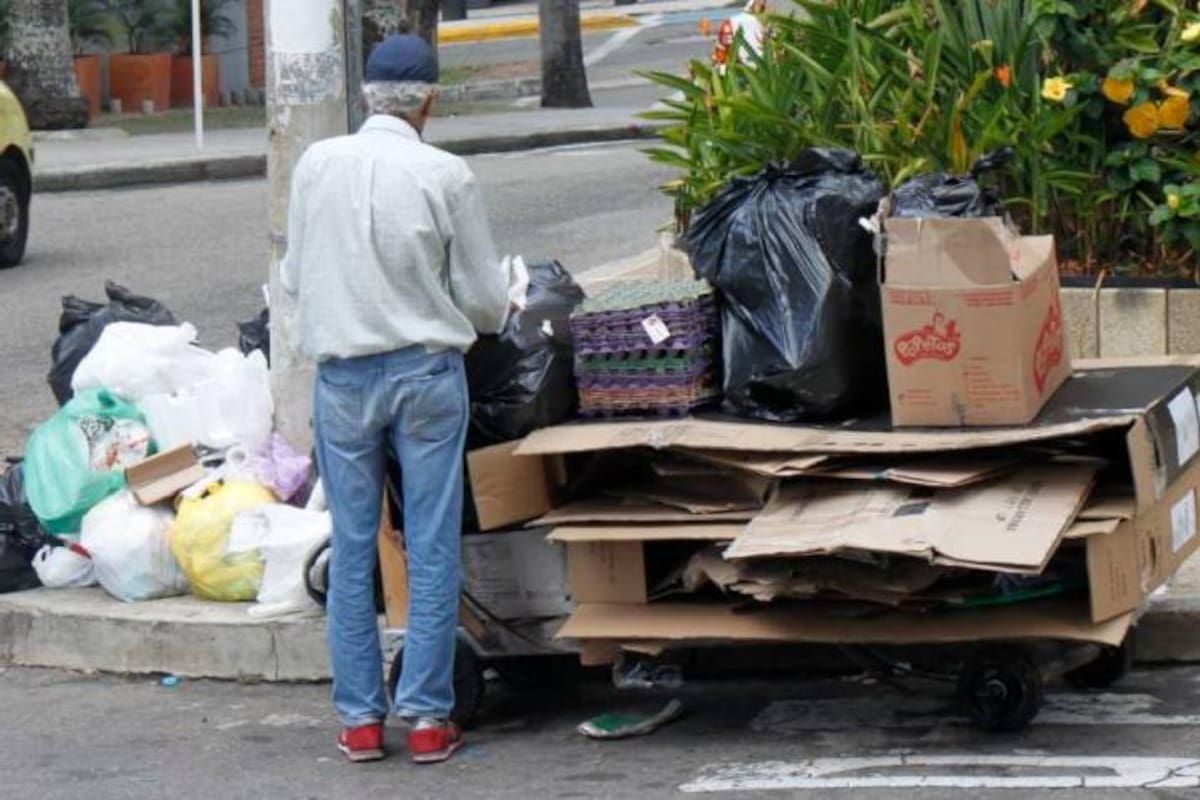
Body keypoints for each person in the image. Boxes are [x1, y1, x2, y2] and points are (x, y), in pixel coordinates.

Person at [280, 34, 513, 766]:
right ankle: (427, 719)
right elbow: (484, 303)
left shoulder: (317, 164)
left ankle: (357, 721)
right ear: (430, 101)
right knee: (432, 543)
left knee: (353, 550)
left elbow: (293, 276)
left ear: (366, 94)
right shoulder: (446, 173)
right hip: (424, 377)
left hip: (342, 380)